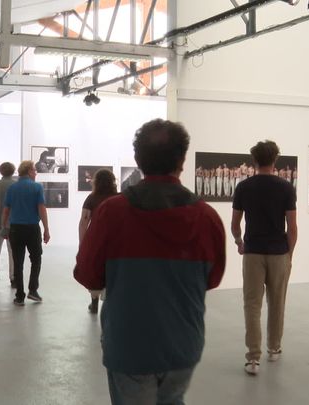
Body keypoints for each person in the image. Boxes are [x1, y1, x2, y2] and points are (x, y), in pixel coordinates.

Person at [74, 119, 226, 405]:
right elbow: (212, 279)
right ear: (182, 160)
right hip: (183, 343)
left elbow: (87, 275)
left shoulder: (112, 213)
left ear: (138, 159)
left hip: (128, 343)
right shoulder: (207, 218)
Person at [231, 140, 298, 376]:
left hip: (252, 253)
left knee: (252, 305)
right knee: (277, 302)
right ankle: (274, 348)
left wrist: (240, 242)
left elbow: (235, 224)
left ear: (254, 161)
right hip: (278, 252)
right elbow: (292, 227)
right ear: (275, 160)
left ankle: (253, 358)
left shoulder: (243, 187)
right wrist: (289, 254)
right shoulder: (286, 188)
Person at [2, 160, 50, 306]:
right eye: (34, 170)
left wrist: (5, 227)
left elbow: (6, 210)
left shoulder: (12, 188)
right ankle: (33, 290)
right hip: (32, 228)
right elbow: (41, 209)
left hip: (16, 229)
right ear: (29, 171)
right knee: (36, 259)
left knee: (18, 262)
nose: (36, 172)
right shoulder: (37, 187)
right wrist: (46, 229)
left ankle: (20, 296)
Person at [77, 168, 118, 314]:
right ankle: (109, 304)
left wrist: (82, 244)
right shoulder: (119, 197)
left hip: (96, 240)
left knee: (95, 270)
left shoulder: (92, 198)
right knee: (112, 272)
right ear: (113, 181)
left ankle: (94, 302)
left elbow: (84, 221)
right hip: (115, 241)